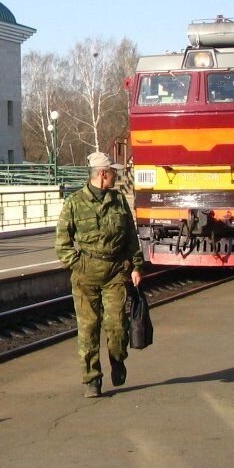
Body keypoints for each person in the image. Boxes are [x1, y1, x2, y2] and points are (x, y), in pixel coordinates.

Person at [55, 151, 143, 397]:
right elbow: (62, 243)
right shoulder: (74, 203)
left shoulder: (119, 201)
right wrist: (75, 264)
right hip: (86, 276)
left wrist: (136, 266)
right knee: (88, 328)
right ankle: (91, 380)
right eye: (113, 172)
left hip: (115, 272)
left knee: (117, 325)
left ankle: (118, 359)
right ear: (103, 174)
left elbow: (130, 237)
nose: (116, 175)